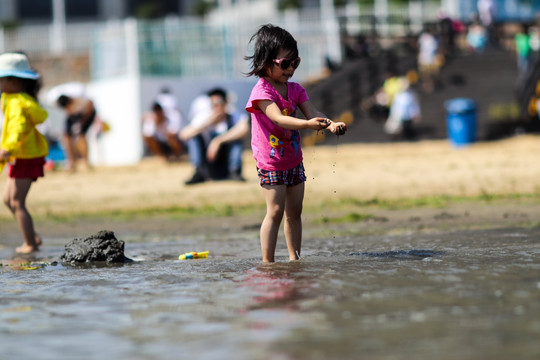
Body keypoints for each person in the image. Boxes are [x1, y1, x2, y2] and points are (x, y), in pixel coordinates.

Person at [244, 24, 347, 263]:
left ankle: (294, 260)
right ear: (266, 61)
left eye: (295, 63)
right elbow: (279, 118)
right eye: (284, 64)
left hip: (293, 158)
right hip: (270, 161)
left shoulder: (296, 90)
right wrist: (310, 126)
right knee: (275, 211)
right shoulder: (262, 91)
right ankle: (268, 263)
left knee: (295, 212)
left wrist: (330, 124)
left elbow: (313, 112)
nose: (290, 69)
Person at [0, 52, 49, 254]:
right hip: (21, 155)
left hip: (24, 155)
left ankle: (30, 244)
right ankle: (32, 235)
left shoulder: (17, 102)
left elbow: (18, 127)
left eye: (1, 79)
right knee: (7, 200)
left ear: (13, 81)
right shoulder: (12, 98)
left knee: (17, 201)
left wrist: (8, 148)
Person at [180, 87, 249, 184]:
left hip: (226, 161)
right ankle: (198, 172)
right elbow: (184, 134)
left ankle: (235, 171)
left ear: (225, 104)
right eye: (212, 104)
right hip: (209, 162)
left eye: (219, 104)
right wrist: (207, 123)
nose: (216, 107)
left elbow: (244, 129)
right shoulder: (204, 117)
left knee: (236, 139)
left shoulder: (234, 116)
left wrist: (218, 141)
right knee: (194, 137)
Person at [55, 86, 97, 171]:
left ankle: (86, 162)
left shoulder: (80, 96)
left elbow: (91, 106)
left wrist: (83, 121)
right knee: (66, 135)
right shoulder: (54, 98)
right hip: (73, 113)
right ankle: (71, 162)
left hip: (87, 112)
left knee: (81, 135)